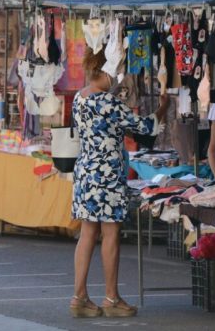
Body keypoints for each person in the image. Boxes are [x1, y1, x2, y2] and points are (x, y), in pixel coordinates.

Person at [70, 48, 169, 318]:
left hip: (85, 172)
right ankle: (111, 297)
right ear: (104, 72)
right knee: (110, 233)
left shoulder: (79, 98)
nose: (116, 78)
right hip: (107, 174)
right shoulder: (107, 102)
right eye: (113, 71)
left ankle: (79, 297)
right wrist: (164, 104)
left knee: (88, 232)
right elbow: (146, 126)